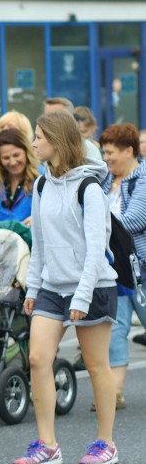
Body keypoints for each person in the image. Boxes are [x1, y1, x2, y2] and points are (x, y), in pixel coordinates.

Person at [13, 111, 118, 464]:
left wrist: (83, 295)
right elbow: (39, 243)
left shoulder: (90, 188)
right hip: (52, 287)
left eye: (40, 136)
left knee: (95, 364)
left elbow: (95, 248)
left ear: (58, 140)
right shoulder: (41, 186)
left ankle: (106, 442)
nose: (35, 142)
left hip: (92, 285)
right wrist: (33, 288)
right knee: (38, 359)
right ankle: (47, 445)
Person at [98, 123, 146, 410]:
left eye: (110, 152)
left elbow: (136, 220)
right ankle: (114, 391)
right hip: (113, 266)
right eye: (104, 152)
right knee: (115, 327)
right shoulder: (106, 179)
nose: (105, 158)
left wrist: (96, 230)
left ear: (129, 151)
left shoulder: (142, 177)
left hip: (140, 265)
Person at [0, 128, 39, 224]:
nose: (12, 162)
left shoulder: (41, 178)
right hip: (0, 238)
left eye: (16, 155)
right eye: (6, 158)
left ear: (26, 152)